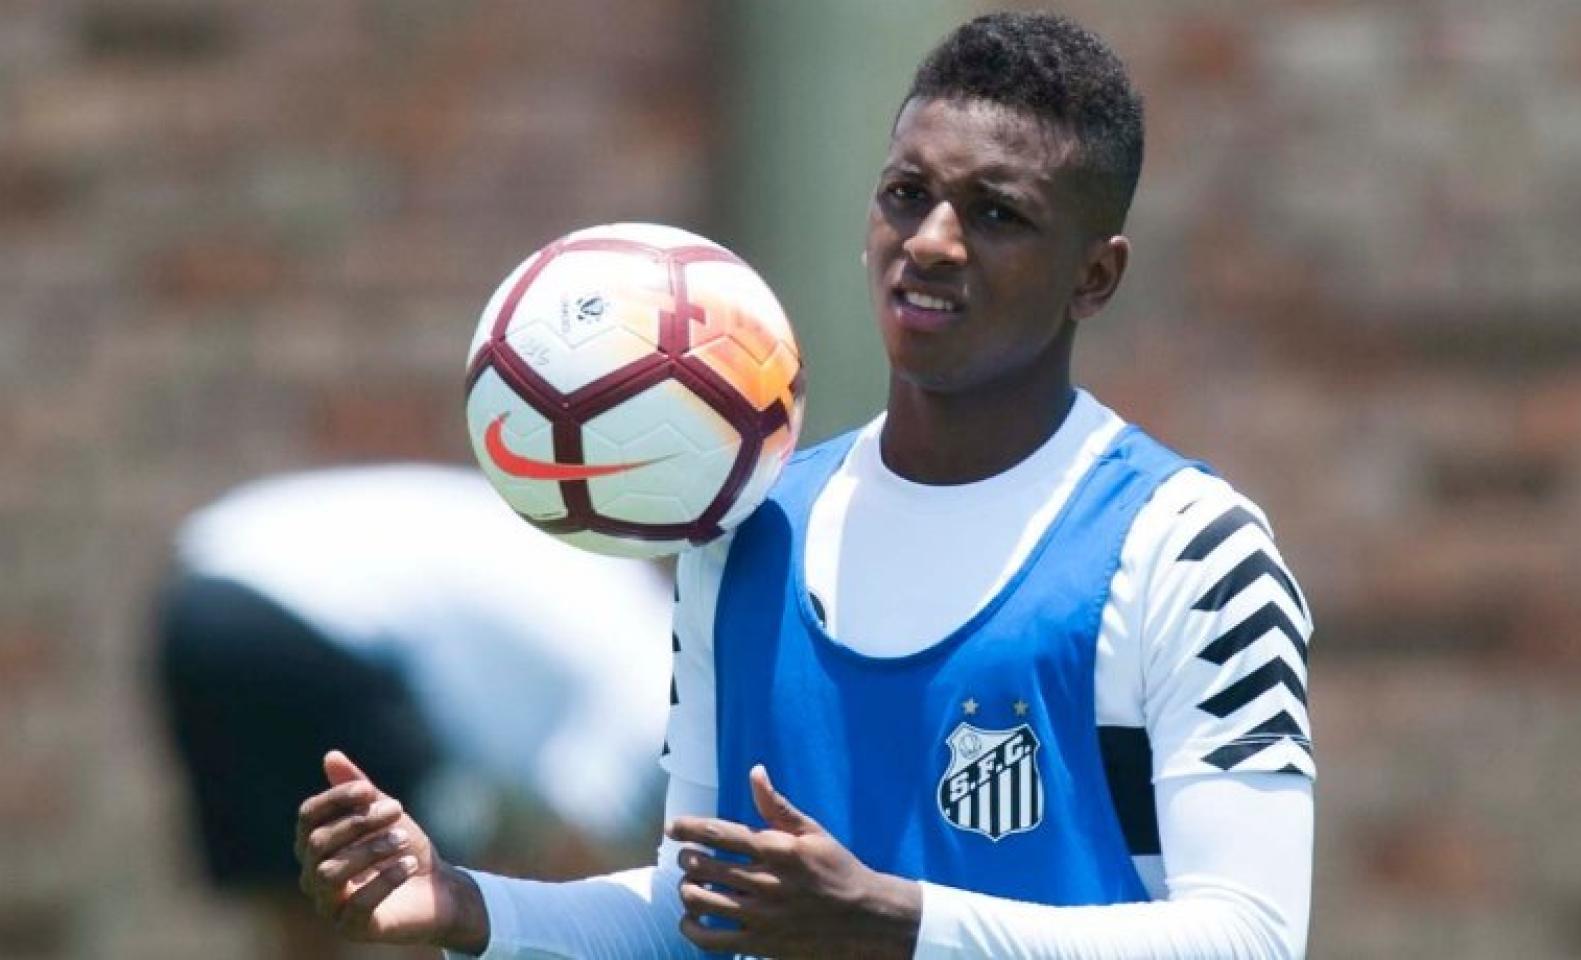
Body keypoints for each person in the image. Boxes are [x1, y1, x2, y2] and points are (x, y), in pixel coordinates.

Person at [295, 12, 1316, 959]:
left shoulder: (1188, 548)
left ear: (1094, 276)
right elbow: (686, 912)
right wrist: (471, 904)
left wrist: (894, 920)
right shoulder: (742, 532)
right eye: (905, 195)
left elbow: (1250, 937)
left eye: (996, 214)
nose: (929, 243)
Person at [154, 464, 673, 959]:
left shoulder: (616, 586)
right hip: (320, 623)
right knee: (428, 896)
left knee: (299, 899)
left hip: (202, 598)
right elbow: (575, 849)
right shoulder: (649, 671)